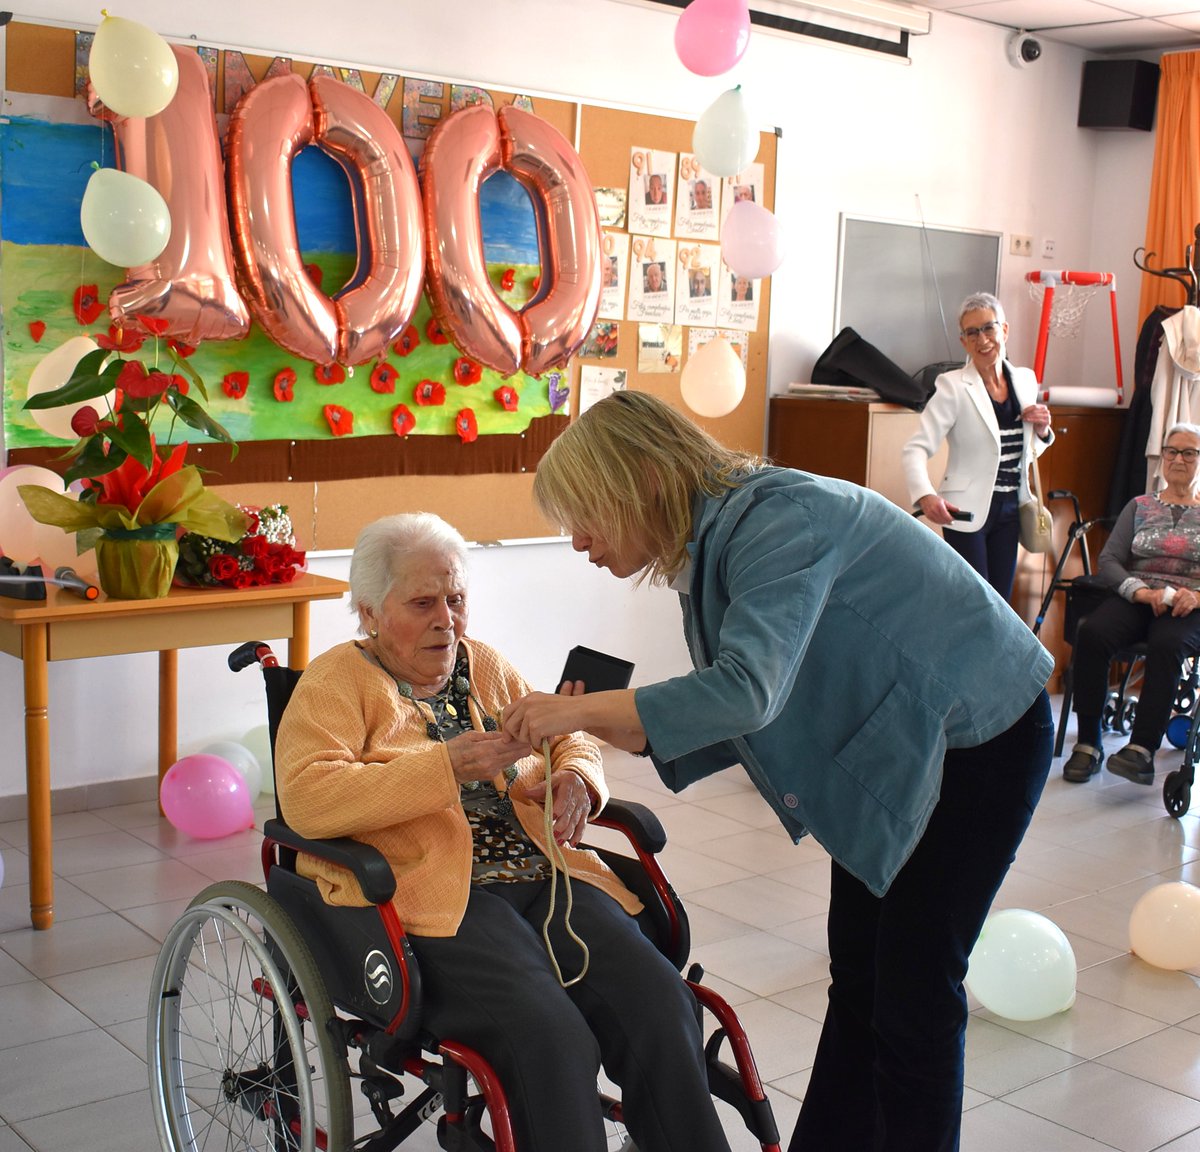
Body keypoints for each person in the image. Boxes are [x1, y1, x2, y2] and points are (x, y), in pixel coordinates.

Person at [501, 391, 1054, 1152]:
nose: (578, 542)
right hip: (903, 743)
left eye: (586, 516)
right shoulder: (719, 542)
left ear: (642, 481)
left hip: (981, 736)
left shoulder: (778, 520)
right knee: (861, 979)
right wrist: (589, 726)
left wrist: (575, 711)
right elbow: (742, 710)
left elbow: (744, 692)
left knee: (914, 995)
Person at [275, 512, 732, 1152]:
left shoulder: (484, 664)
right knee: (550, 1036)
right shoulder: (334, 683)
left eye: (456, 599)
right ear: (370, 612)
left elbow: (565, 732)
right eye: (423, 603)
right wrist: (443, 767)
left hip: (544, 874)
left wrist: (576, 777)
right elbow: (306, 798)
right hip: (433, 896)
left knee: (661, 1004)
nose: (447, 620)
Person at [1062, 422, 1200, 785]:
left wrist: (1196, 596)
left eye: (1189, 453)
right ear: (1162, 457)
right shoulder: (1139, 506)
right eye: (1172, 451)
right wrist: (1141, 592)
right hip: (1138, 596)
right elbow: (1109, 560)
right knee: (1093, 632)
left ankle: (1141, 749)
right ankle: (1088, 743)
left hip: (1188, 605)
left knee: (1168, 643)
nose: (1179, 459)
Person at [901, 291, 1053, 600]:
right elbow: (914, 450)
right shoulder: (953, 386)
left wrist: (1042, 430)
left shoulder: (1025, 380)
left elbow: (1025, 452)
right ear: (964, 341)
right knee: (973, 601)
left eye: (988, 328)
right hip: (965, 511)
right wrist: (926, 496)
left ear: (1004, 330)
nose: (982, 339)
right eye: (972, 332)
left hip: (1012, 508)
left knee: (1001, 603)